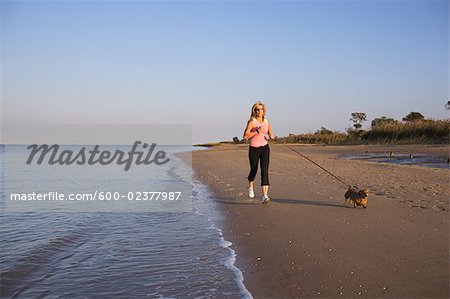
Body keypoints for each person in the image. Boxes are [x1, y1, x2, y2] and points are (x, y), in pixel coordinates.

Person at [243, 101, 276, 203]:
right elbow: (245, 136)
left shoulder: (266, 121)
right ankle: (250, 186)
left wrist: (272, 136)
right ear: (254, 111)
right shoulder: (252, 122)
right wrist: (257, 131)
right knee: (254, 169)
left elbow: (270, 133)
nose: (260, 111)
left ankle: (265, 195)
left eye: (261, 109)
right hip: (254, 148)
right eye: (257, 109)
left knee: (264, 170)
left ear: (264, 111)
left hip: (265, 148)